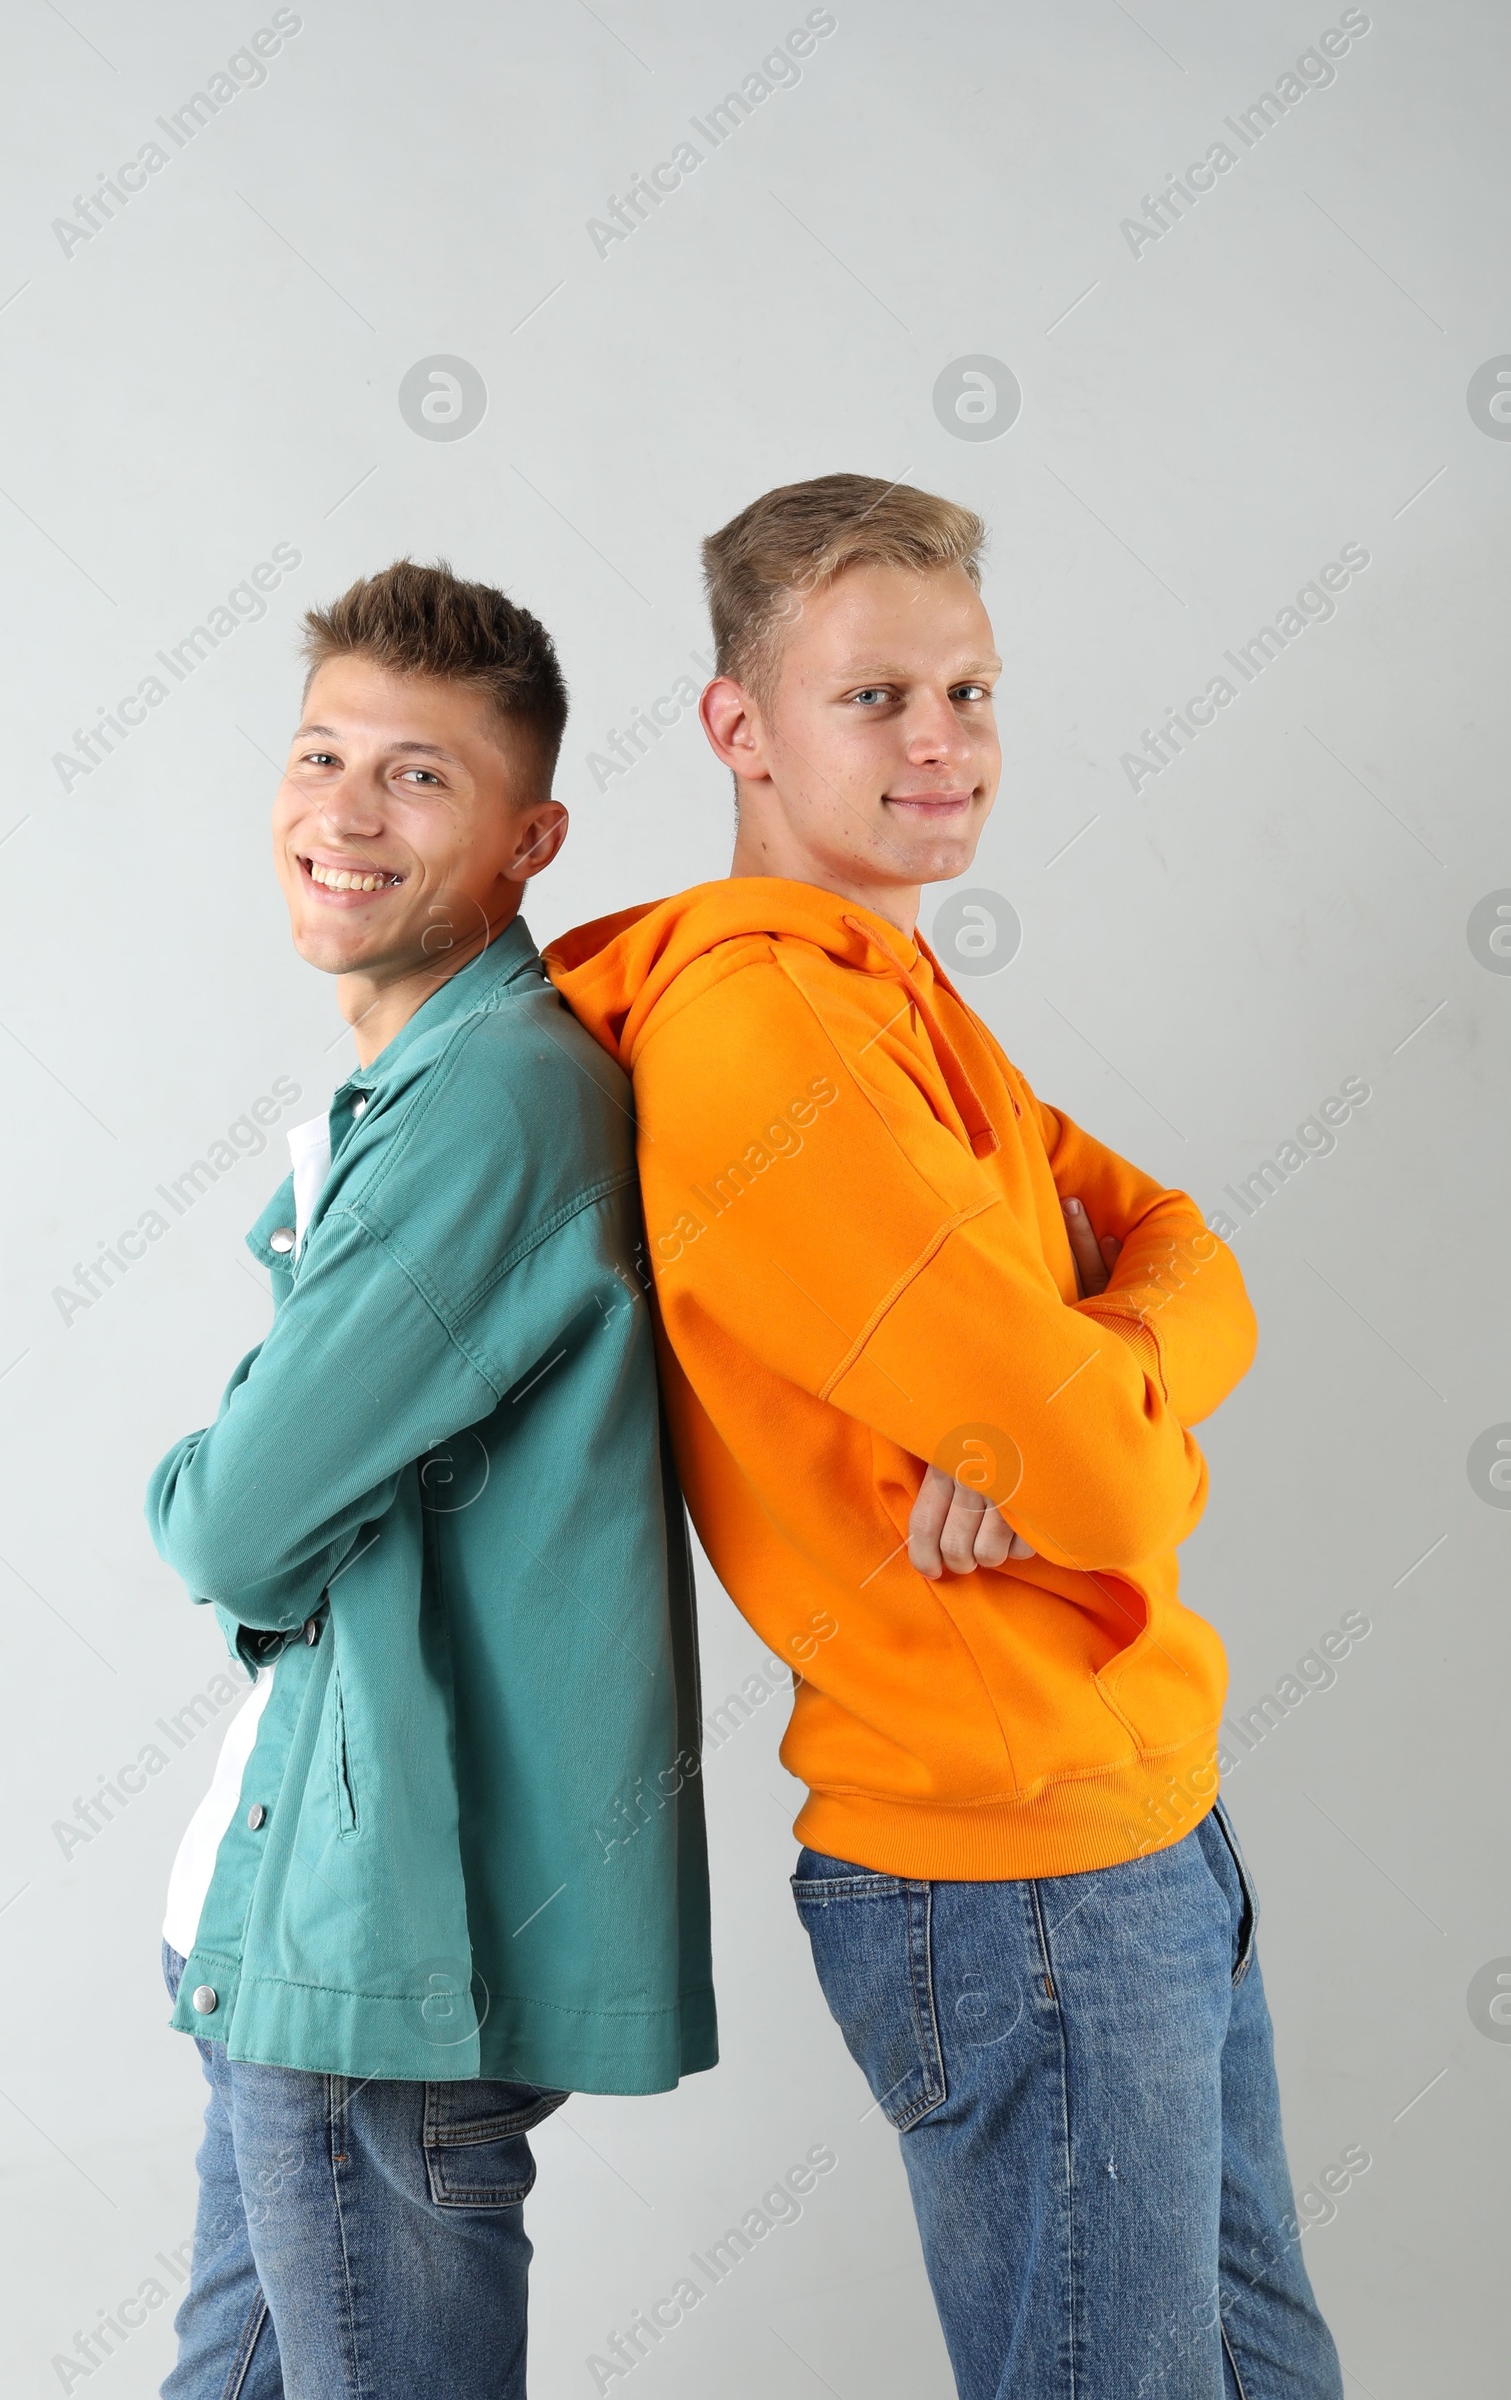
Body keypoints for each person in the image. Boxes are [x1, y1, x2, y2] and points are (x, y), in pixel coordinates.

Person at [544, 475, 1342, 2399]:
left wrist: (1098, 1366)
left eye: (971, 693)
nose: (939, 744)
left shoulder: (897, 993)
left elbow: (1195, 1253)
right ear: (738, 726)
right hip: (1017, 1880)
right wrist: (1088, 1424)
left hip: (1140, 1821)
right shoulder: (764, 1042)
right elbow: (1117, 1472)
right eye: (873, 697)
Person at [146, 559, 714, 2400]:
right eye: (322, 755)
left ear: (529, 837)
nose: (344, 813)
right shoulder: (425, 1093)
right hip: (312, 1954)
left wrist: (196, 1478)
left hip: (377, 1964)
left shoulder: (494, 1104)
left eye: (418, 776)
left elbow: (235, 1516)